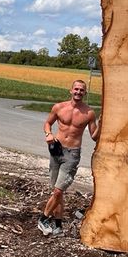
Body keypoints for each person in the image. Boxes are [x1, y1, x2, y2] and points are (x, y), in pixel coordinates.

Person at [38, 79, 99, 236]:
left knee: (59, 190)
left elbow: (94, 136)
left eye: (82, 90)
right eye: (76, 89)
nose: (78, 92)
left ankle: (43, 219)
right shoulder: (59, 107)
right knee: (57, 191)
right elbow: (47, 123)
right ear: (71, 91)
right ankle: (58, 226)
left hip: (72, 153)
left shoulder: (89, 113)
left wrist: (102, 124)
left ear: (85, 93)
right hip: (56, 148)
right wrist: (48, 134)